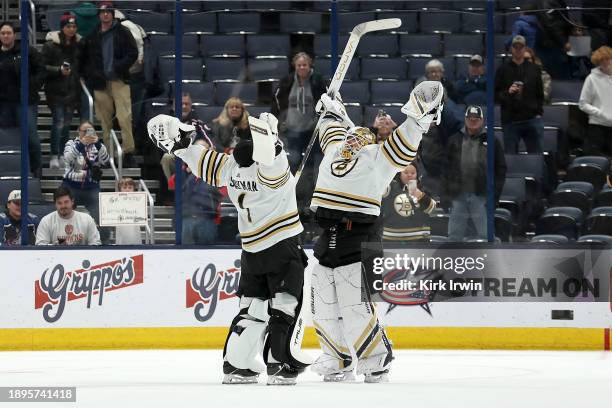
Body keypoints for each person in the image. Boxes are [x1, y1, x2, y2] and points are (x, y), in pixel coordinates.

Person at [147, 112, 311, 385]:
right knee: (285, 305)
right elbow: (272, 159)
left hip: (251, 249)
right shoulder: (272, 166)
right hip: (282, 246)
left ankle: (237, 364)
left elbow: (202, 162)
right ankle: (280, 365)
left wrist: (181, 145)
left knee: (252, 307)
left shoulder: (231, 167)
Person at [308, 81, 444, 382]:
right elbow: (330, 128)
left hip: (358, 237)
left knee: (355, 306)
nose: (355, 141)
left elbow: (404, 144)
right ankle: (336, 358)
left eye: (362, 137)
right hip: (327, 235)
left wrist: (418, 119)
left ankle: (375, 361)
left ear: (369, 142)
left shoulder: (378, 159)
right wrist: (331, 108)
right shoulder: (333, 150)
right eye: (352, 136)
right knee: (322, 306)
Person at [81, 1, 138, 167]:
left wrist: (118, 67)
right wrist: (90, 74)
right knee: (104, 120)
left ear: (113, 14)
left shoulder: (123, 31)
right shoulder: (93, 35)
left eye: (108, 12)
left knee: (124, 117)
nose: (105, 14)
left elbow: (132, 53)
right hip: (100, 82)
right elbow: (86, 58)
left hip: (119, 79)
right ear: (99, 15)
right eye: (102, 12)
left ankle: (128, 152)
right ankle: (108, 153)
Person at [442, 106, 506, 242]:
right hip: (458, 195)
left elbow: (500, 170)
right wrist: (445, 194)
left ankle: (491, 261)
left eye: (476, 119)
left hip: (481, 196)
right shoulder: (454, 140)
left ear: (482, 120)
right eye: (470, 119)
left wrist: (495, 195)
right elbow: (445, 169)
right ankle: (453, 262)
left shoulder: (493, 141)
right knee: (454, 236)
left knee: (487, 236)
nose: (472, 121)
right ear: (465, 119)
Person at [0, 21, 45, 176]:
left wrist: (31, 86)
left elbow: (41, 70)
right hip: (4, 103)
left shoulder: (27, 51)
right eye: (3, 33)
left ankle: (37, 169)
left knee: (31, 136)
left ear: (14, 34)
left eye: (8, 33)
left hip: (25, 101)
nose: (6, 36)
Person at [272, 52, 326, 171]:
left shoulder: (318, 81)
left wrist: (318, 121)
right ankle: (293, 188)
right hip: (292, 128)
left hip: (311, 129)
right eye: (299, 65)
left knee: (310, 162)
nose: (302, 67)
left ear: (310, 65)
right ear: (294, 66)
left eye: (304, 65)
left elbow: (326, 102)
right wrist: (281, 121)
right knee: (293, 161)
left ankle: (309, 188)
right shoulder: (287, 80)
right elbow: (276, 100)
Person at [42, 12, 83, 169]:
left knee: (66, 125)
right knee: (58, 123)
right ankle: (54, 154)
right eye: (68, 26)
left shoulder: (78, 45)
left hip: (72, 91)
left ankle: (63, 154)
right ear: (62, 28)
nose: (71, 29)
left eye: (74, 26)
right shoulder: (50, 45)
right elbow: (42, 67)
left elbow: (81, 65)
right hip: (55, 90)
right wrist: (58, 70)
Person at [495, 35, 544, 154]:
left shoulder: (534, 69)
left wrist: (538, 113)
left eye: (520, 47)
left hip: (531, 119)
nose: (518, 49)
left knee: (536, 156)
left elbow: (540, 93)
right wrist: (508, 92)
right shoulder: (502, 69)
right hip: (510, 120)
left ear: (525, 48)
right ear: (511, 49)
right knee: (510, 157)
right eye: (515, 47)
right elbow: (495, 95)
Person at [62, 120, 110, 240]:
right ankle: (61, 240)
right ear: (79, 132)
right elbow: (68, 159)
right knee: (63, 213)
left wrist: (98, 144)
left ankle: (105, 241)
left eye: (90, 130)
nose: (87, 133)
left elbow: (106, 161)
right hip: (71, 186)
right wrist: (81, 144)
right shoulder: (71, 143)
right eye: (85, 131)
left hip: (91, 187)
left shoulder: (99, 145)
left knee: (102, 216)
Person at [170, 138, 222, 245]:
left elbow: (221, 193)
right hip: (186, 219)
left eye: (204, 149)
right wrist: (186, 172)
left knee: (208, 255)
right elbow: (172, 186)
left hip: (207, 219)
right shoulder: (183, 171)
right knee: (185, 255)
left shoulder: (216, 171)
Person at [160, 92, 213, 184]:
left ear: (191, 106)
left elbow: (210, 141)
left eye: (187, 104)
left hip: (193, 159)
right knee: (166, 157)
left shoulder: (197, 123)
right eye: (181, 104)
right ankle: (174, 187)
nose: (184, 106)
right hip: (175, 156)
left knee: (201, 144)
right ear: (173, 107)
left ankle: (194, 186)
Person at [382, 164, 436, 243]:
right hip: (392, 237)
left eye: (412, 173)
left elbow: (432, 209)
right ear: (400, 173)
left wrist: (418, 193)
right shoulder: (390, 186)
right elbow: (378, 188)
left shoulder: (423, 188)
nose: (409, 175)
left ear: (417, 174)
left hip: (419, 238)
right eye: (406, 172)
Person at [36, 186, 101, 245]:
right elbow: (41, 246)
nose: (63, 206)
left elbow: (96, 243)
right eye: (59, 203)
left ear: (72, 201)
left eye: (66, 202)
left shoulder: (87, 219)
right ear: (55, 204)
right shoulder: (46, 221)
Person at [578, 46, 612, 157]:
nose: (605, 62)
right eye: (601, 60)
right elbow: (583, 104)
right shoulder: (591, 78)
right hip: (597, 126)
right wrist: (600, 113)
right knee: (598, 159)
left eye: (608, 59)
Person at [114, 177, 142, 245]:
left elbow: (141, 217)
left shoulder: (138, 201)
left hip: (134, 230)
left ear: (133, 189)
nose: (127, 190)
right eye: (124, 187)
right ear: (120, 190)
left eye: (130, 188)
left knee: (135, 245)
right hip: (121, 229)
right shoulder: (115, 202)